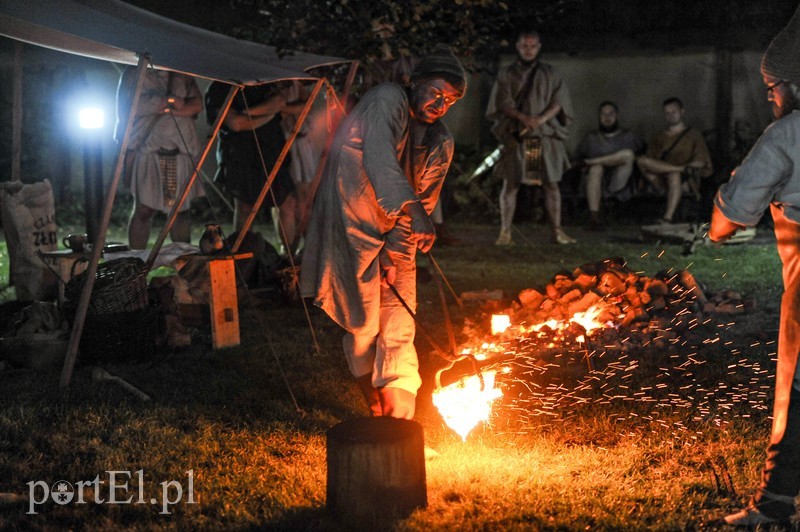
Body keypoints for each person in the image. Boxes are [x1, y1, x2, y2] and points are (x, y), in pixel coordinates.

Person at [299, 44, 466, 419]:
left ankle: (398, 420)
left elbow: (423, 200)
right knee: (364, 322)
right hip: (351, 221)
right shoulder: (386, 99)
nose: (441, 104)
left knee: (399, 322)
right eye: (436, 92)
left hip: (396, 232)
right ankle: (373, 400)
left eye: (450, 100)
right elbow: (380, 158)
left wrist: (396, 248)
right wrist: (414, 210)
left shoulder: (440, 142)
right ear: (416, 82)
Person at [709, 8, 800, 527]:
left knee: (799, 386)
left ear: (793, 85)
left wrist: (720, 216)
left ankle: (772, 504)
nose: (770, 97)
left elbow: (730, 217)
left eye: (773, 88)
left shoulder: (787, 133)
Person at [487, 29, 575, 246]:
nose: (528, 50)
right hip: (518, 136)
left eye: (533, 46)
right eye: (525, 46)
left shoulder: (551, 73)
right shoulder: (507, 74)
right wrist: (523, 118)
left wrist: (540, 119)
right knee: (511, 183)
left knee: (551, 184)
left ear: (539, 47)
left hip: (545, 136)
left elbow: (559, 101)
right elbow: (502, 102)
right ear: (518, 47)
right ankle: (505, 233)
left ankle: (557, 232)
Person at [116, 68, 204, 249]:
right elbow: (130, 107)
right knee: (144, 210)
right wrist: (166, 102)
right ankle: (137, 261)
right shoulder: (134, 73)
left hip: (179, 152)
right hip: (148, 151)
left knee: (180, 211)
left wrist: (176, 107)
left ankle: (182, 260)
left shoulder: (182, 73)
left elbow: (196, 104)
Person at [204, 81, 300, 239]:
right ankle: (243, 249)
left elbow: (279, 101)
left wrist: (246, 112)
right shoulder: (220, 87)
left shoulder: (261, 81)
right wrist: (268, 114)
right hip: (240, 154)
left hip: (271, 150)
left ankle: (288, 251)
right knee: (245, 207)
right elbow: (236, 123)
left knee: (287, 203)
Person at [636, 97, 712, 224]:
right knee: (641, 161)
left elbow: (701, 161)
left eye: (674, 112)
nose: (671, 115)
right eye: (667, 113)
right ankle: (676, 171)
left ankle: (667, 217)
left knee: (674, 174)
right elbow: (649, 161)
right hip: (660, 178)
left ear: (682, 111)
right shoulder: (658, 136)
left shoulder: (693, 135)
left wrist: (684, 169)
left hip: (684, 178)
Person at [574, 101, 644, 230]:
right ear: (599, 116)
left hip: (619, 181)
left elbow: (642, 157)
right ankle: (594, 218)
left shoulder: (628, 136)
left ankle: (593, 162)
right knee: (596, 169)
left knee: (628, 154)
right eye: (604, 114)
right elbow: (577, 160)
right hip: (596, 182)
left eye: (610, 114)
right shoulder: (591, 138)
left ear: (616, 115)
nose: (607, 117)